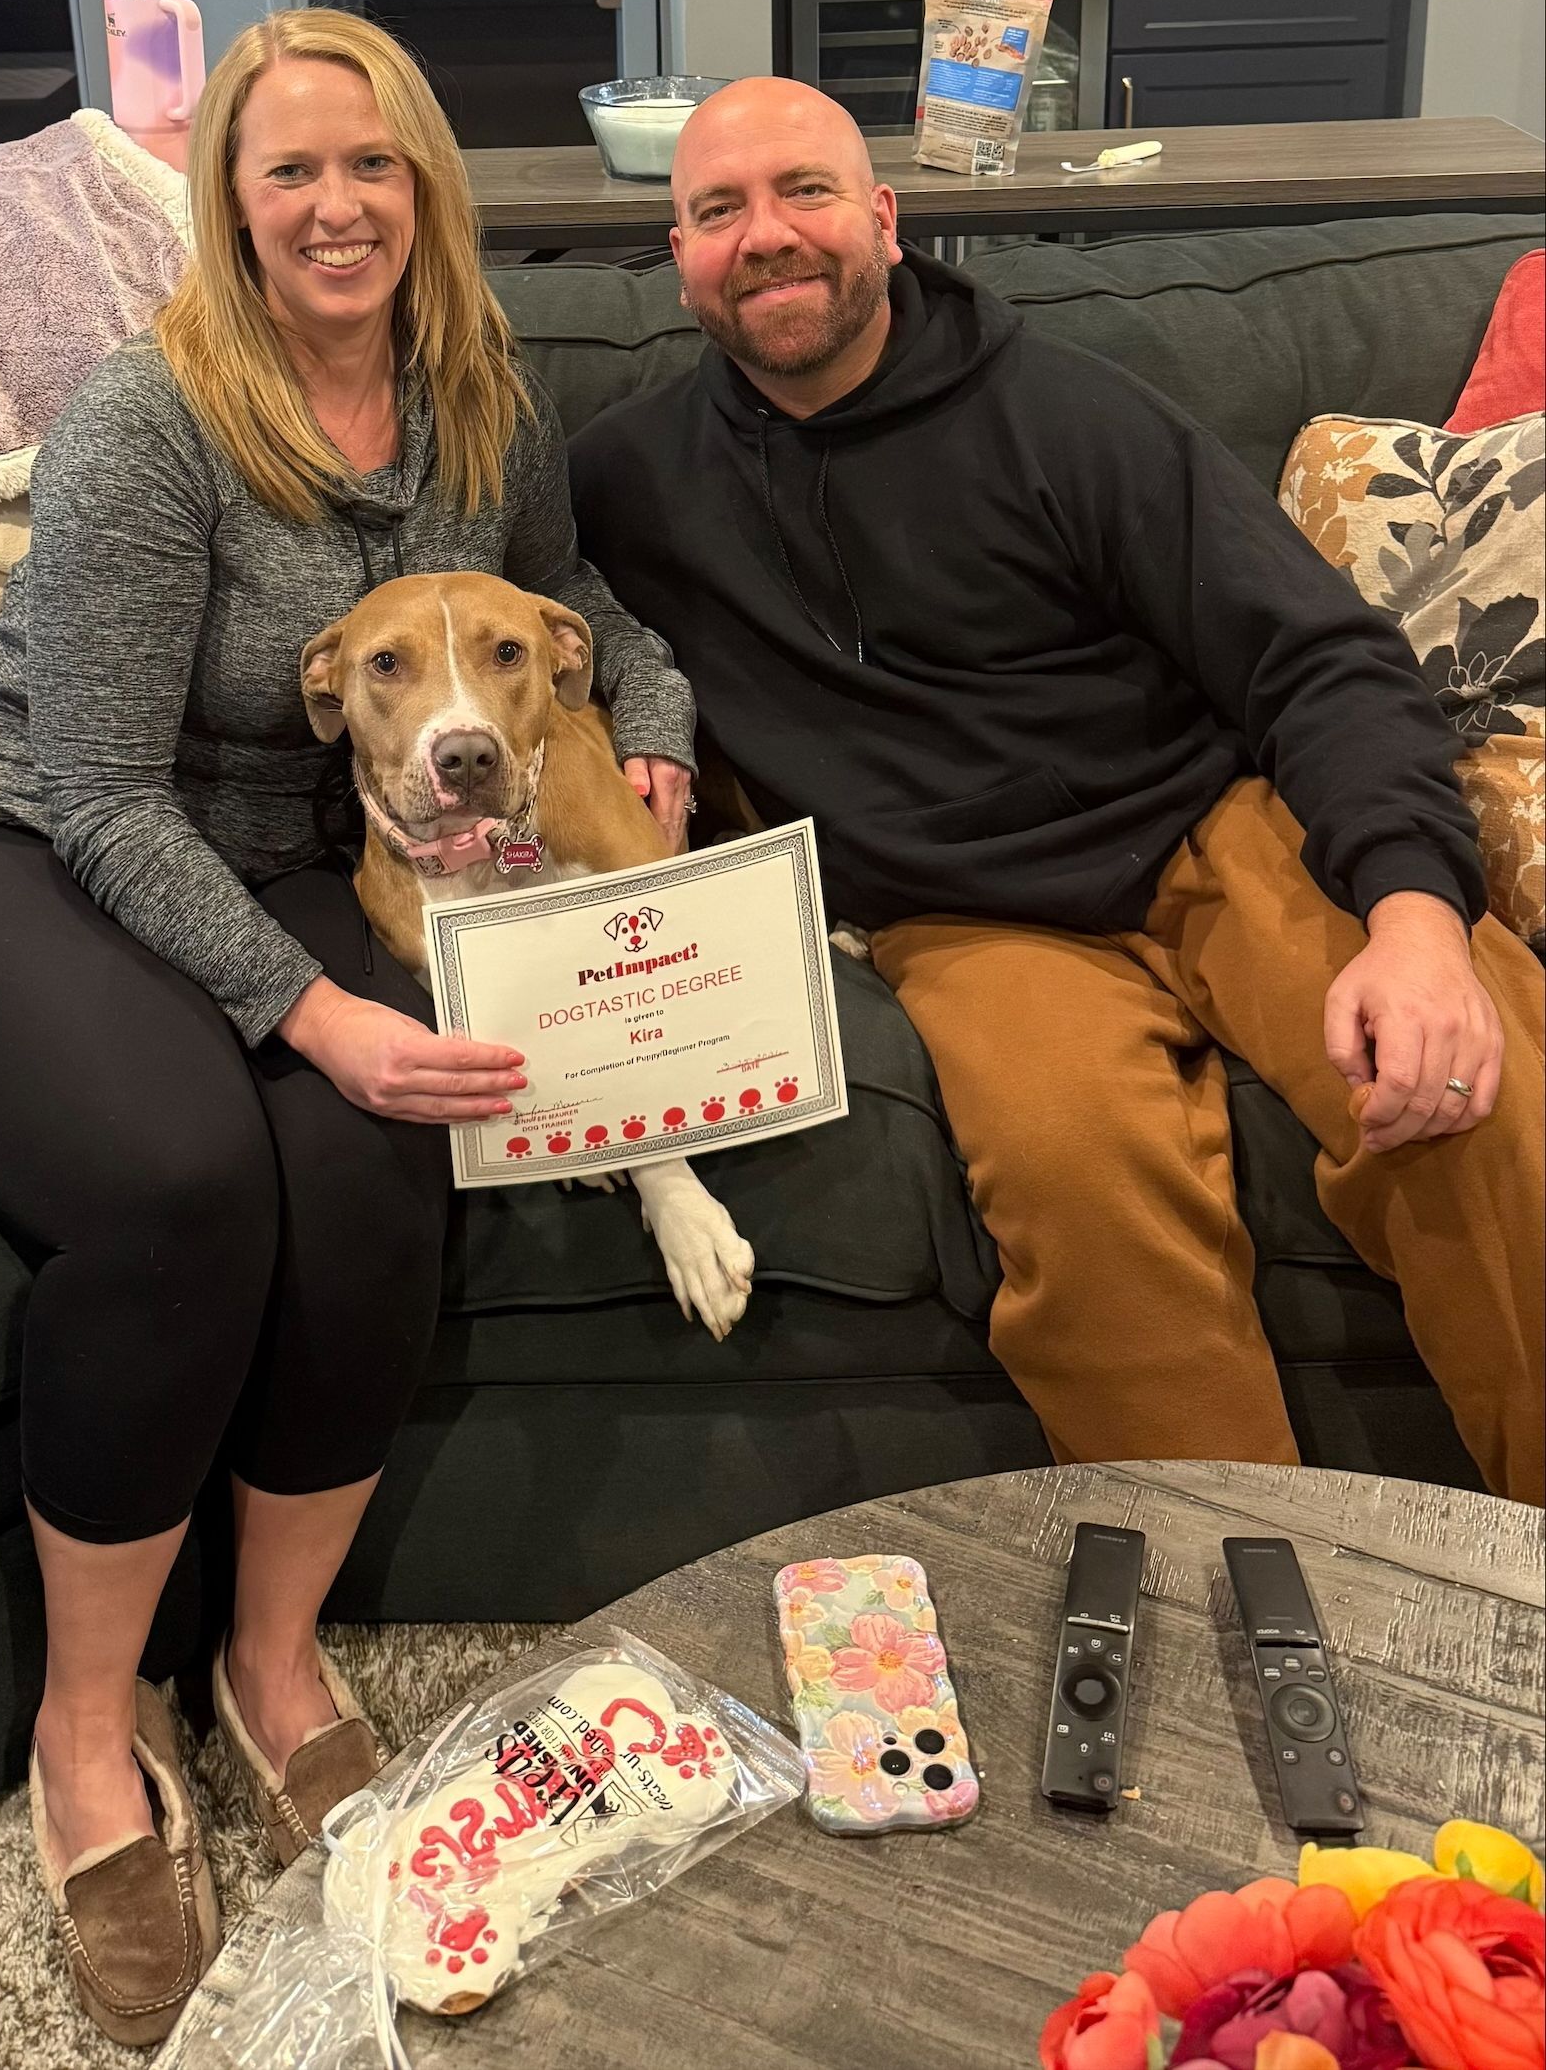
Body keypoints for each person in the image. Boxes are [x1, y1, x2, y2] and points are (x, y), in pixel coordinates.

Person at [0, 9, 695, 2047]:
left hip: (252, 835)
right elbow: (106, 792)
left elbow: (587, 617)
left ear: (425, 190)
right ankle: (85, 1737)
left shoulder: (477, 397)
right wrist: (313, 1012)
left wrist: (642, 736)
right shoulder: (151, 417)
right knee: (183, 1172)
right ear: (229, 203)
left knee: (381, 1145)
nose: (334, 204)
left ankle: (270, 1665)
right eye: (286, 169)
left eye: (369, 164)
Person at [569, 76, 1543, 1507]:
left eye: (807, 193)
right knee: (1081, 1193)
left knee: (1474, 1100)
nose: (767, 236)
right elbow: (512, 604)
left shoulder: (1068, 414)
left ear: (886, 223)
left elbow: (1319, 657)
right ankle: (1246, 1618)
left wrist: (1413, 917)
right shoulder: (627, 480)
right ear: (678, 257)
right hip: (959, 918)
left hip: (1211, 830)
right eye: (720, 211)